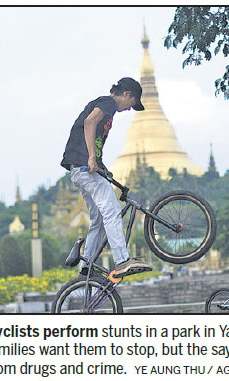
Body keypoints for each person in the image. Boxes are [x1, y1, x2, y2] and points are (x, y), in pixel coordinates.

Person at [61, 77, 152, 278]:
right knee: (111, 211)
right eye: (132, 103)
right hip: (84, 167)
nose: (130, 109)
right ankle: (121, 261)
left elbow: (91, 138)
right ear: (127, 94)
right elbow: (89, 122)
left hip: (81, 170)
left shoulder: (106, 108)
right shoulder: (108, 102)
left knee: (99, 220)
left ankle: (86, 267)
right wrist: (92, 157)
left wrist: (100, 165)